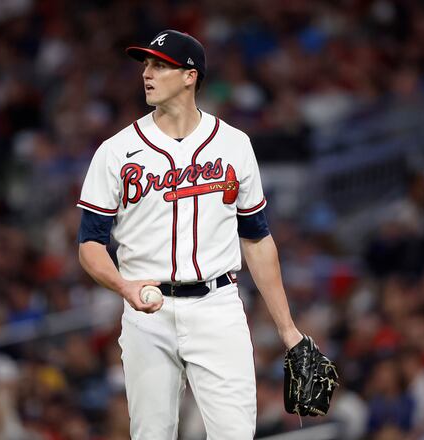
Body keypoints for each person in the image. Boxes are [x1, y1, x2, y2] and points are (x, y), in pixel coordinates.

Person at [77, 29, 303, 439]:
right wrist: (123, 286)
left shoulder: (234, 145)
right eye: (145, 64)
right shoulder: (115, 151)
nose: (147, 73)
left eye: (159, 65)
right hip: (148, 309)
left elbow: (256, 237)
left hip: (217, 307)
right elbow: (90, 244)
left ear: (190, 76)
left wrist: (288, 330)